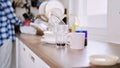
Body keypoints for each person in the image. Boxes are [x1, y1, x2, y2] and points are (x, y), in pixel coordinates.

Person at [0, 0, 24, 68]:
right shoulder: (4, 1)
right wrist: (24, 23)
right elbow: (13, 18)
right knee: (4, 65)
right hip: (5, 37)